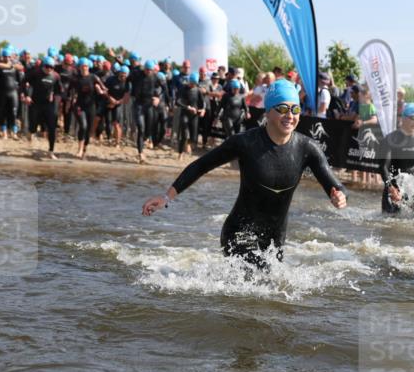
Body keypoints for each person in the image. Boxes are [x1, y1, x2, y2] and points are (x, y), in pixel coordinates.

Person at [142, 79, 347, 270]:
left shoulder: (307, 148)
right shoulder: (245, 143)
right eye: (283, 108)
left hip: (275, 240)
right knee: (250, 287)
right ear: (268, 112)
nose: (290, 115)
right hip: (238, 233)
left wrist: (338, 195)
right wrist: (167, 197)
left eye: (295, 109)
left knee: (268, 297)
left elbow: (334, 184)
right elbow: (201, 165)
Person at [379, 103, 414, 216]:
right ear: (403, 118)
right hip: (395, 187)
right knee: (389, 225)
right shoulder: (390, 139)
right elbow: (383, 167)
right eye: (412, 118)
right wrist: (391, 188)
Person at [29, 56, 63, 159]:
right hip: (36, 103)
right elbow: (24, 82)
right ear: (43, 66)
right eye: (47, 67)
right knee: (33, 126)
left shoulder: (55, 76)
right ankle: (32, 148)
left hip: (48, 104)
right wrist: (26, 95)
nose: (49, 69)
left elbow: (60, 91)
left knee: (52, 128)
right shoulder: (36, 73)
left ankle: (51, 151)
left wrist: (55, 98)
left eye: (51, 67)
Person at [72, 58, 106, 159]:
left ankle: (84, 149)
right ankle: (79, 149)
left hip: (91, 106)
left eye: (86, 66)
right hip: (79, 105)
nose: (84, 68)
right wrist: (72, 98)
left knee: (88, 129)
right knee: (83, 126)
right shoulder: (75, 78)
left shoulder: (93, 77)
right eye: (82, 66)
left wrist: (101, 90)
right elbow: (71, 90)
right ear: (79, 67)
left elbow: (103, 87)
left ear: (88, 67)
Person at [176, 72, 206, 158]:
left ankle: (188, 143)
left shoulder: (198, 90)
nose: (193, 85)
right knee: (184, 135)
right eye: (191, 83)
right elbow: (177, 102)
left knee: (193, 138)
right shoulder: (183, 89)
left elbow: (202, 102)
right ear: (189, 81)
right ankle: (180, 153)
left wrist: (203, 110)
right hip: (185, 114)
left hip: (194, 116)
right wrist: (187, 107)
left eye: (194, 84)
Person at [103, 63, 131, 152]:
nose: (123, 76)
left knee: (116, 123)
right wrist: (110, 99)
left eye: (125, 74)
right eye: (122, 74)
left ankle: (117, 143)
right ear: (119, 73)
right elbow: (105, 91)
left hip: (119, 103)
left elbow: (126, 98)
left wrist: (116, 102)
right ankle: (108, 138)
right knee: (106, 121)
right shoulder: (111, 80)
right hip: (108, 100)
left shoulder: (128, 83)